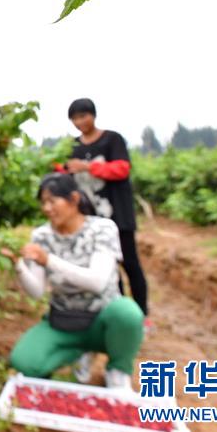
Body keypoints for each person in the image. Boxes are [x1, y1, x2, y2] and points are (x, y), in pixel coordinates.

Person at [9, 174, 144, 391]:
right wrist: (19, 265)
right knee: (25, 363)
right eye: (43, 202)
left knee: (128, 314)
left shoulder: (102, 229)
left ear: (73, 199)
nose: (47, 208)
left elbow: (97, 282)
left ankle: (118, 371)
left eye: (52, 201)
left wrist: (49, 260)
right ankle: (79, 351)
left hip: (103, 318)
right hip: (65, 322)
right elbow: (36, 292)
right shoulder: (42, 236)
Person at [62, 98, 149, 321]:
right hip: (91, 220)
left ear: (93, 115)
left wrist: (88, 166)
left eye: (83, 116)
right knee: (107, 268)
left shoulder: (112, 140)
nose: (80, 122)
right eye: (75, 118)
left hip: (118, 214)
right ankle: (121, 314)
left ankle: (142, 315)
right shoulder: (72, 147)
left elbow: (122, 169)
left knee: (130, 264)